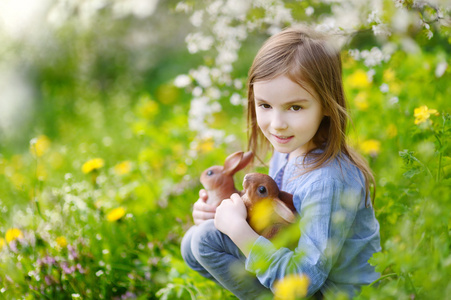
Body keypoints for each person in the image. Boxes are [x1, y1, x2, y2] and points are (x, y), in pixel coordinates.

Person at [181, 26, 381, 299]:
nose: (277, 124)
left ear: (326, 104)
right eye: (265, 105)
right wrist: (220, 212)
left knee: (206, 240)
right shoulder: (288, 151)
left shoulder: (329, 180)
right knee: (193, 242)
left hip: (330, 292)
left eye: (295, 107)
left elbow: (306, 281)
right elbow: (276, 215)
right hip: (295, 264)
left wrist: (239, 230)